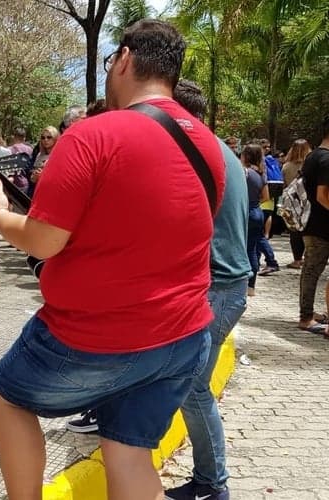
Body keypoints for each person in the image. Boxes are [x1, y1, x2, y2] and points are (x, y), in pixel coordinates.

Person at [0, 20, 224, 499]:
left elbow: (43, 241)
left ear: (125, 60)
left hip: (95, 338)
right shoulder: (208, 145)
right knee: (128, 452)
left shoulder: (93, 134)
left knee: (7, 394)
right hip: (183, 337)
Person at [161, 79, 252, 500]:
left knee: (193, 388)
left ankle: (213, 485)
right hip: (227, 287)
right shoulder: (218, 150)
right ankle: (210, 482)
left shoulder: (194, 153)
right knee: (190, 385)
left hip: (217, 289)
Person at [297, 115, 329, 336]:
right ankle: (306, 317)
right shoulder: (326, 159)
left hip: (312, 223)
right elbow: (322, 195)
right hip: (322, 227)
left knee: (310, 271)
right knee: (312, 271)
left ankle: (307, 313)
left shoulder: (312, 156)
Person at [243, 144, 271, 297]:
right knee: (252, 250)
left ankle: (242, 282)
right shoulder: (261, 174)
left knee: (244, 249)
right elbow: (266, 197)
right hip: (257, 212)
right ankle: (251, 286)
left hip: (246, 212)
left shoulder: (245, 172)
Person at [281, 139, 312, 269]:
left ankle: (297, 260)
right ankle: (309, 257)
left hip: (292, 202)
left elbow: (284, 185)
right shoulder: (311, 165)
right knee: (309, 230)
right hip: (309, 201)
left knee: (294, 230)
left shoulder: (286, 166)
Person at [26, 126, 59, 197]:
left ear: (55, 138)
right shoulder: (39, 155)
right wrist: (34, 176)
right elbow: (32, 177)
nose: (45, 140)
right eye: (43, 138)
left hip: (51, 193)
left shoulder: (58, 155)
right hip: (36, 192)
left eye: (49, 137)